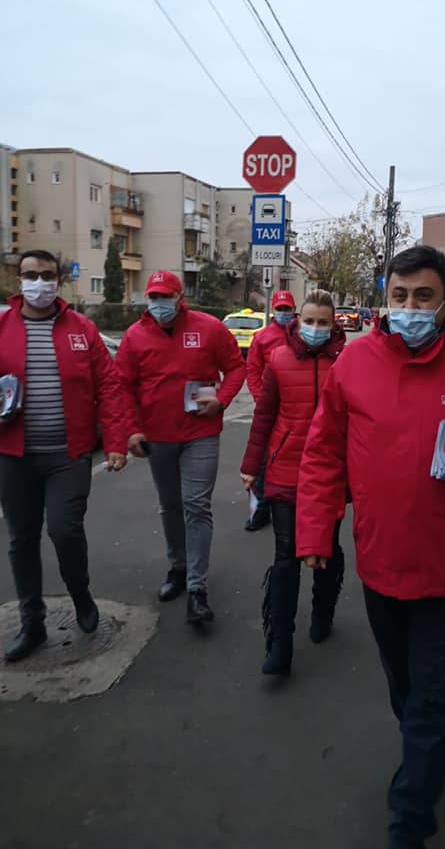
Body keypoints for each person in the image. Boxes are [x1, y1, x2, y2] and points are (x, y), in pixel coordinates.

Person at [296, 245, 445, 849]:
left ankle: (410, 819)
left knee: (430, 696)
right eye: (399, 297)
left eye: (423, 297)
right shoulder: (354, 364)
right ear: (385, 298)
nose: (410, 308)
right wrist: (316, 532)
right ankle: (429, 752)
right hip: (381, 561)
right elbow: (323, 454)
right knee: (405, 687)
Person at [0, 250, 128, 662]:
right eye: (31, 275)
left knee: (65, 530)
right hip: (13, 456)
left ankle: (81, 595)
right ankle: (31, 623)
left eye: (47, 275)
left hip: (67, 455)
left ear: (59, 281)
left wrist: (118, 442)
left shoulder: (81, 329)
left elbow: (109, 386)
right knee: (22, 539)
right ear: (19, 280)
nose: (39, 282)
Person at [116, 270, 246, 623]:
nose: (160, 304)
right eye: (153, 297)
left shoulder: (208, 328)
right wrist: (130, 430)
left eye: (166, 296)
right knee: (170, 505)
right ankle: (177, 565)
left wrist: (221, 399)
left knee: (196, 504)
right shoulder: (134, 337)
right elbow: (122, 386)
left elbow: (236, 367)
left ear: (179, 297)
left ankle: (197, 587)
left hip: (200, 433)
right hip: (158, 437)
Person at [240, 290, 346, 676]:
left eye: (323, 321)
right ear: (297, 321)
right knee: (286, 558)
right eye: (309, 320)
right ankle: (280, 642)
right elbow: (263, 417)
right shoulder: (279, 360)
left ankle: (323, 611)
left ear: (334, 323)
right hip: (286, 470)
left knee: (327, 551)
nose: (315, 328)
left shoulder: (347, 363)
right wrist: (252, 465)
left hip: (331, 474)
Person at [244, 289, 298, 532]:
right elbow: (253, 370)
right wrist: (259, 399)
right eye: (280, 309)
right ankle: (261, 509)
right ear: (274, 310)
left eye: (288, 309)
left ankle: (292, 505)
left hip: (294, 408)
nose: (284, 313)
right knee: (263, 461)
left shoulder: (300, 335)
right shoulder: (263, 338)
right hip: (269, 409)